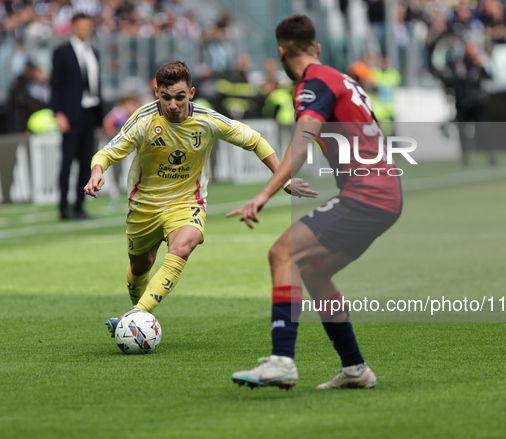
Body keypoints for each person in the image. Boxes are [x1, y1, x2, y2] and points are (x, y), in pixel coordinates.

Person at [227, 15, 402, 390]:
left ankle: (282, 362)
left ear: (281, 52)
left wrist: (263, 195)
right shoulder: (340, 77)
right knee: (315, 271)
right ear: (317, 48)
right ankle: (356, 369)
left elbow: (302, 146)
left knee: (282, 254)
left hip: (368, 193)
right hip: (383, 192)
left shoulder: (313, 83)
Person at [83, 61, 292, 337]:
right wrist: (97, 172)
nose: (172, 104)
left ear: (191, 93)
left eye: (179, 97)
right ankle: (137, 311)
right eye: (166, 97)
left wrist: (283, 178)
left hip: (186, 203)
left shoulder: (207, 119)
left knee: (182, 247)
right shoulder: (143, 119)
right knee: (140, 265)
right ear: (157, 92)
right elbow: (106, 152)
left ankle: (134, 317)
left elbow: (255, 140)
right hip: (144, 205)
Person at [51, 12, 103, 220]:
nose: (84, 30)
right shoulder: (61, 52)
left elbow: (98, 83)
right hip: (71, 114)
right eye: (81, 26)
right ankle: (64, 207)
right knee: (67, 161)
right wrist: (58, 112)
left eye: (88, 26)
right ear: (73, 27)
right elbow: (55, 85)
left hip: (91, 112)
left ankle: (80, 205)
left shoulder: (94, 52)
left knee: (87, 162)